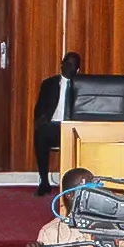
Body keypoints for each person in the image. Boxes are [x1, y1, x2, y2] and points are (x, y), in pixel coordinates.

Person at [32, 52, 82, 195]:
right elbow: (39, 107)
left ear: (77, 69)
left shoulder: (81, 86)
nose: (67, 66)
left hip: (73, 128)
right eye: (65, 62)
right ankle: (44, 182)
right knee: (40, 133)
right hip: (53, 126)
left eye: (72, 64)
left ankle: (75, 182)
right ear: (61, 64)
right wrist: (41, 119)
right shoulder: (48, 84)